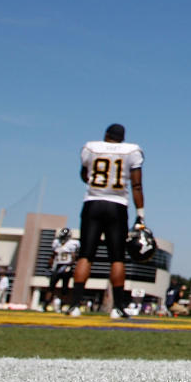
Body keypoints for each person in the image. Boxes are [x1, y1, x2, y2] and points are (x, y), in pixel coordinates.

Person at [67, 123, 146, 319]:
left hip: (93, 202)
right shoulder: (132, 151)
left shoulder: (91, 148)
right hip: (117, 205)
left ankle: (74, 305)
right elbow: (136, 185)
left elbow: (84, 174)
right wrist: (141, 214)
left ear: (106, 135)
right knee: (117, 257)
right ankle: (117, 308)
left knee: (86, 254)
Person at [45, 227, 80, 312]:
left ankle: (62, 306)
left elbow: (74, 256)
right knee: (51, 287)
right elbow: (53, 255)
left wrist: (70, 265)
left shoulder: (73, 243)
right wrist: (49, 265)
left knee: (65, 288)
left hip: (66, 266)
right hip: (57, 266)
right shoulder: (56, 243)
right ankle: (45, 305)